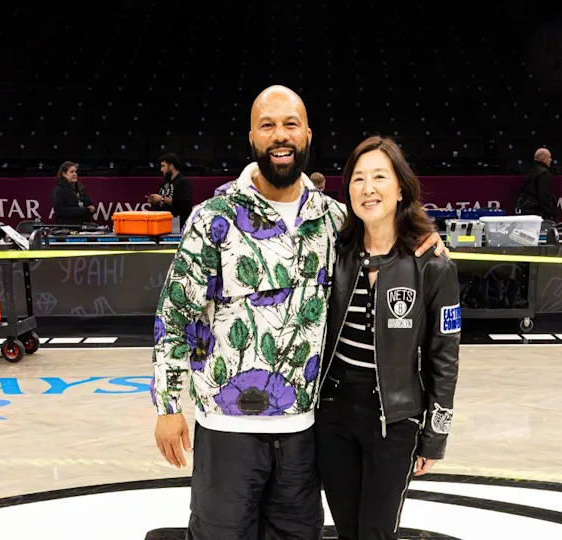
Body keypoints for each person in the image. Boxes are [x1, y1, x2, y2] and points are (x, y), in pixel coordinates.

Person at [151, 85, 447, 539]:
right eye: (267, 126)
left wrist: (424, 240)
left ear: (307, 134)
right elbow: (175, 315)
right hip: (227, 427)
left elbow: (388, 231)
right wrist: (168, 406)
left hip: (305, 430)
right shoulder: (213, 218)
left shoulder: (334, 220)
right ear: (252, 137)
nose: (280, 136)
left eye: (290, 124)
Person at [317, 136, 460, 540]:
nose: (368, 188)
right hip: (333, 414)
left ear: (401, 189)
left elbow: (445, 357)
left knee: (376, 532)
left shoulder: (433, 265)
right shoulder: (335, 251)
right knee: (347, 530)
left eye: (380, 176)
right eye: (358, 178)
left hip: (394, 419)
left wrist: (436, 435)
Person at [147, 153, 193, 231]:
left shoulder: (183, 182)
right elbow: (162, 202)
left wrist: (162, 198)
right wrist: (154, 201)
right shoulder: (164, 183)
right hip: (162, 222)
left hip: (178, 224)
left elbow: (183, 203)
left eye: (163, 166)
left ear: (171, 166)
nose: (161, 169)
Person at [514, 147, 556, 221]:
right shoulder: (544, 173)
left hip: (527, 210)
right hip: (537, 212)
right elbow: (544, 197)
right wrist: (551, 213)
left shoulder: (531, 171)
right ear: (543, 158)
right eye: (549, 157)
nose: (551, 160)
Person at [51, 161, 95, 226]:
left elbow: (89, 204)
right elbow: (60, 210)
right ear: (64, 174)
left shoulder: (79, 188)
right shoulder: (59, 190)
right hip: (67, 227)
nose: (75, 174)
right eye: (71, 172)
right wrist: (83, 210)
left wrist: (91, 209)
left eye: (75, 172)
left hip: (83, 226)